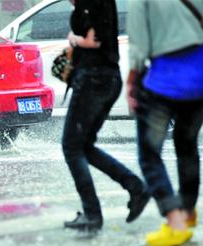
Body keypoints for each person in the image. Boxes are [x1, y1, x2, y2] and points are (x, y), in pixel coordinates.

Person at [62, 0, 150, 232]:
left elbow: (94, 40)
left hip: (93, 78)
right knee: (84, 146)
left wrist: (73, 39)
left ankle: (92, 215)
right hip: (107, 79)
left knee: (71, 147)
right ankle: (135, 187)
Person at [126, 0, 203, 246]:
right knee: (187, 144)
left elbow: (139, 45)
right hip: (201, 79)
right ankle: (188, 211)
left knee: (149, 153)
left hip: (165, 81)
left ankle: (175, 222)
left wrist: (131, 82)